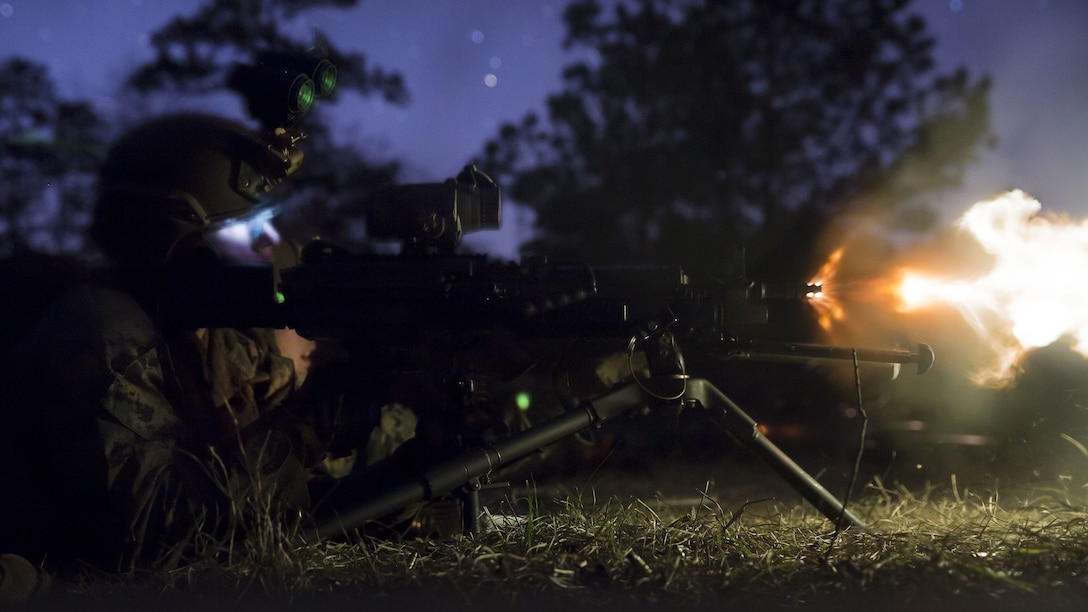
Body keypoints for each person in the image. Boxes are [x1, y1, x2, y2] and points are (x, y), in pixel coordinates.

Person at [0, 113, 365, 573]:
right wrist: (308, 430)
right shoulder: (99, 333)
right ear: (173, 242)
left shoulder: (210, 332)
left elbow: (293, 490)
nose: (272, 246)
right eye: (248, 231)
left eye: (270, 225)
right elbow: (159, 533)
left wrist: (396, 425)